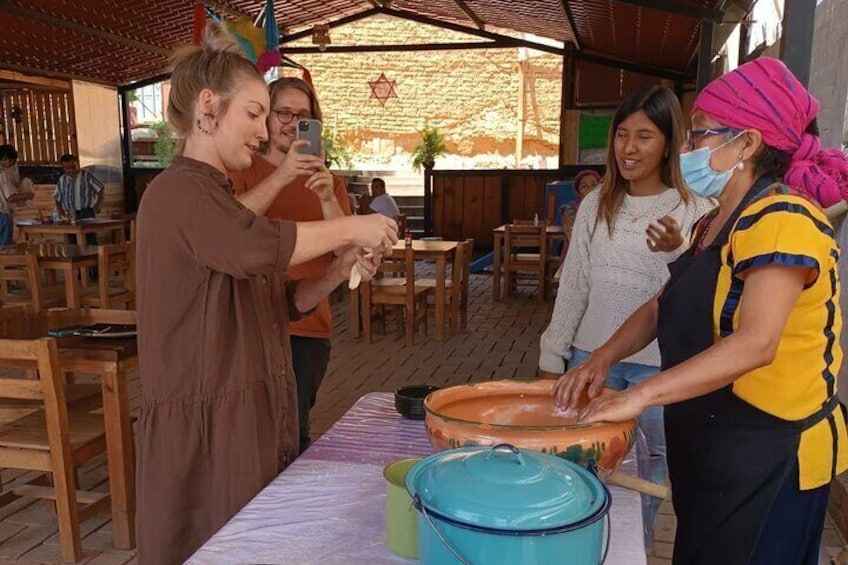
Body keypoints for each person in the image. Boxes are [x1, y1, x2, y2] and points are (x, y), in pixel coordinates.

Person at [556, 57, 848, 565]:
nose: (686, 149)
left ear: (748, 143)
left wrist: (639, 396)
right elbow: (660, 305)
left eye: (698, 136)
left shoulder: (785, 218)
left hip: (771, 453)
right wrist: (600, 357)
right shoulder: (713, 224)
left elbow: (757, 342)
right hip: (715, 446)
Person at [135, 22, 397, 565]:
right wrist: (352, 229)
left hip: (247, 408)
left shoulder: (220, 193)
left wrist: (334, 270)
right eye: (254, 113)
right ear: (209, 108)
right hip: (208, 423)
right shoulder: (177, 192)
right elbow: (254, 248)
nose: (263, 132)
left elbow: (278, 302)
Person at [538, 86, 714, 543]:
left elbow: (699, 297)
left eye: (644, 136)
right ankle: (577, 545)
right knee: (577, 462)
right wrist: (553, 352)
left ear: (670, 143)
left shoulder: (697, 211)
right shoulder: (598, 203)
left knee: (649, 472)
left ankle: (628, 548)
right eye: (621, 135)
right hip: (591, 358)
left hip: (660, 369)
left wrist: (678, 248)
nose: (628, 148)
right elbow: (575, 282)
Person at [230, 76, 352, 454]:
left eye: (304, 116)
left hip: (307, 328)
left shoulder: (328, 181)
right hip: (246, 326)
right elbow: (229, 230)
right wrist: (282, 175)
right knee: (245, 436)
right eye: (283, 112)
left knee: (291, 434)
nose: (292, 122)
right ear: (265, 118)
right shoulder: (241, 171)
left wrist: (328, 198)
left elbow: (346, 254)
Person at [54, 153, 103, 245]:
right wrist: (60, 212)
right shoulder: (62, 180)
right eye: (67, 168)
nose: (71, 170)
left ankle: (92, 257)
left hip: (86, 213)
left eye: (73, 167)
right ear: (63, 168)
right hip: (70, 214)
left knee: (89, 239)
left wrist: (98, 204)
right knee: (72, 241)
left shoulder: (86, 176)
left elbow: (100, 189)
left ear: (77, 164)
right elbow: (57, 197)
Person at [0, 144, 33, 245]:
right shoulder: (2, 174)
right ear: (6, 159)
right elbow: (10, 197)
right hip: (2, 214)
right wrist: (29, 195)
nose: (11, 164)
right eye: (11, 162)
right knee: (4, 249)